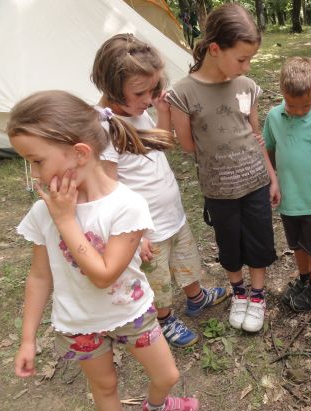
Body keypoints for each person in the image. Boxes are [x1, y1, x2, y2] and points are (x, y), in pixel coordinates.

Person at [10, 91, 199, 411]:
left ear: (80, 153)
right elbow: (39, 275)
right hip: (79, 322)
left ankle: (155, 408)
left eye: (36, 161)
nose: (33, 174)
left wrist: (66, 220)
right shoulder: (43, 211)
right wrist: (28, 338)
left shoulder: (126, 205)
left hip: (132, 312)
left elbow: (104, 274)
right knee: (105, 385)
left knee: (167, 374)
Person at [92, 33, 226, 348]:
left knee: (186, 259)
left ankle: (196, 297)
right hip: (145, 227)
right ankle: (164, 318)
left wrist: (162, 111)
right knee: (159, 278)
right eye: (142, 92)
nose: (149, 98)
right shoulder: (102, 128)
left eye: (153, 90)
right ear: (111, 86)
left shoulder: (135, 107)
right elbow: (106, 190)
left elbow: (159, 143)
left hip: (171, 214)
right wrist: (133, 234)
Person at [168, 4, 279, 333]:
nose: (247, 66)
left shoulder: (246, 85)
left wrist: (272, 177)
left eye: (250, 59)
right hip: (218, 189)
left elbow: (256, 135)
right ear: (215, 49)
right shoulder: (182, 93)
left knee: (259, 240)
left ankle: (257, 295)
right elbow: (187, 145)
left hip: (256, 182)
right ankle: (239, 291)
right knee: (228, 243)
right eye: (242, 59)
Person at [262, 56, 311, 311]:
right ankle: (304, 279)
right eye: (291, 105)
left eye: (304, 106)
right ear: (283, 92)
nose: (296, 111)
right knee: (296, 244)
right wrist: (272, 178)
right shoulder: (274, 117)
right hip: (288, 199)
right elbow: (269, 150)